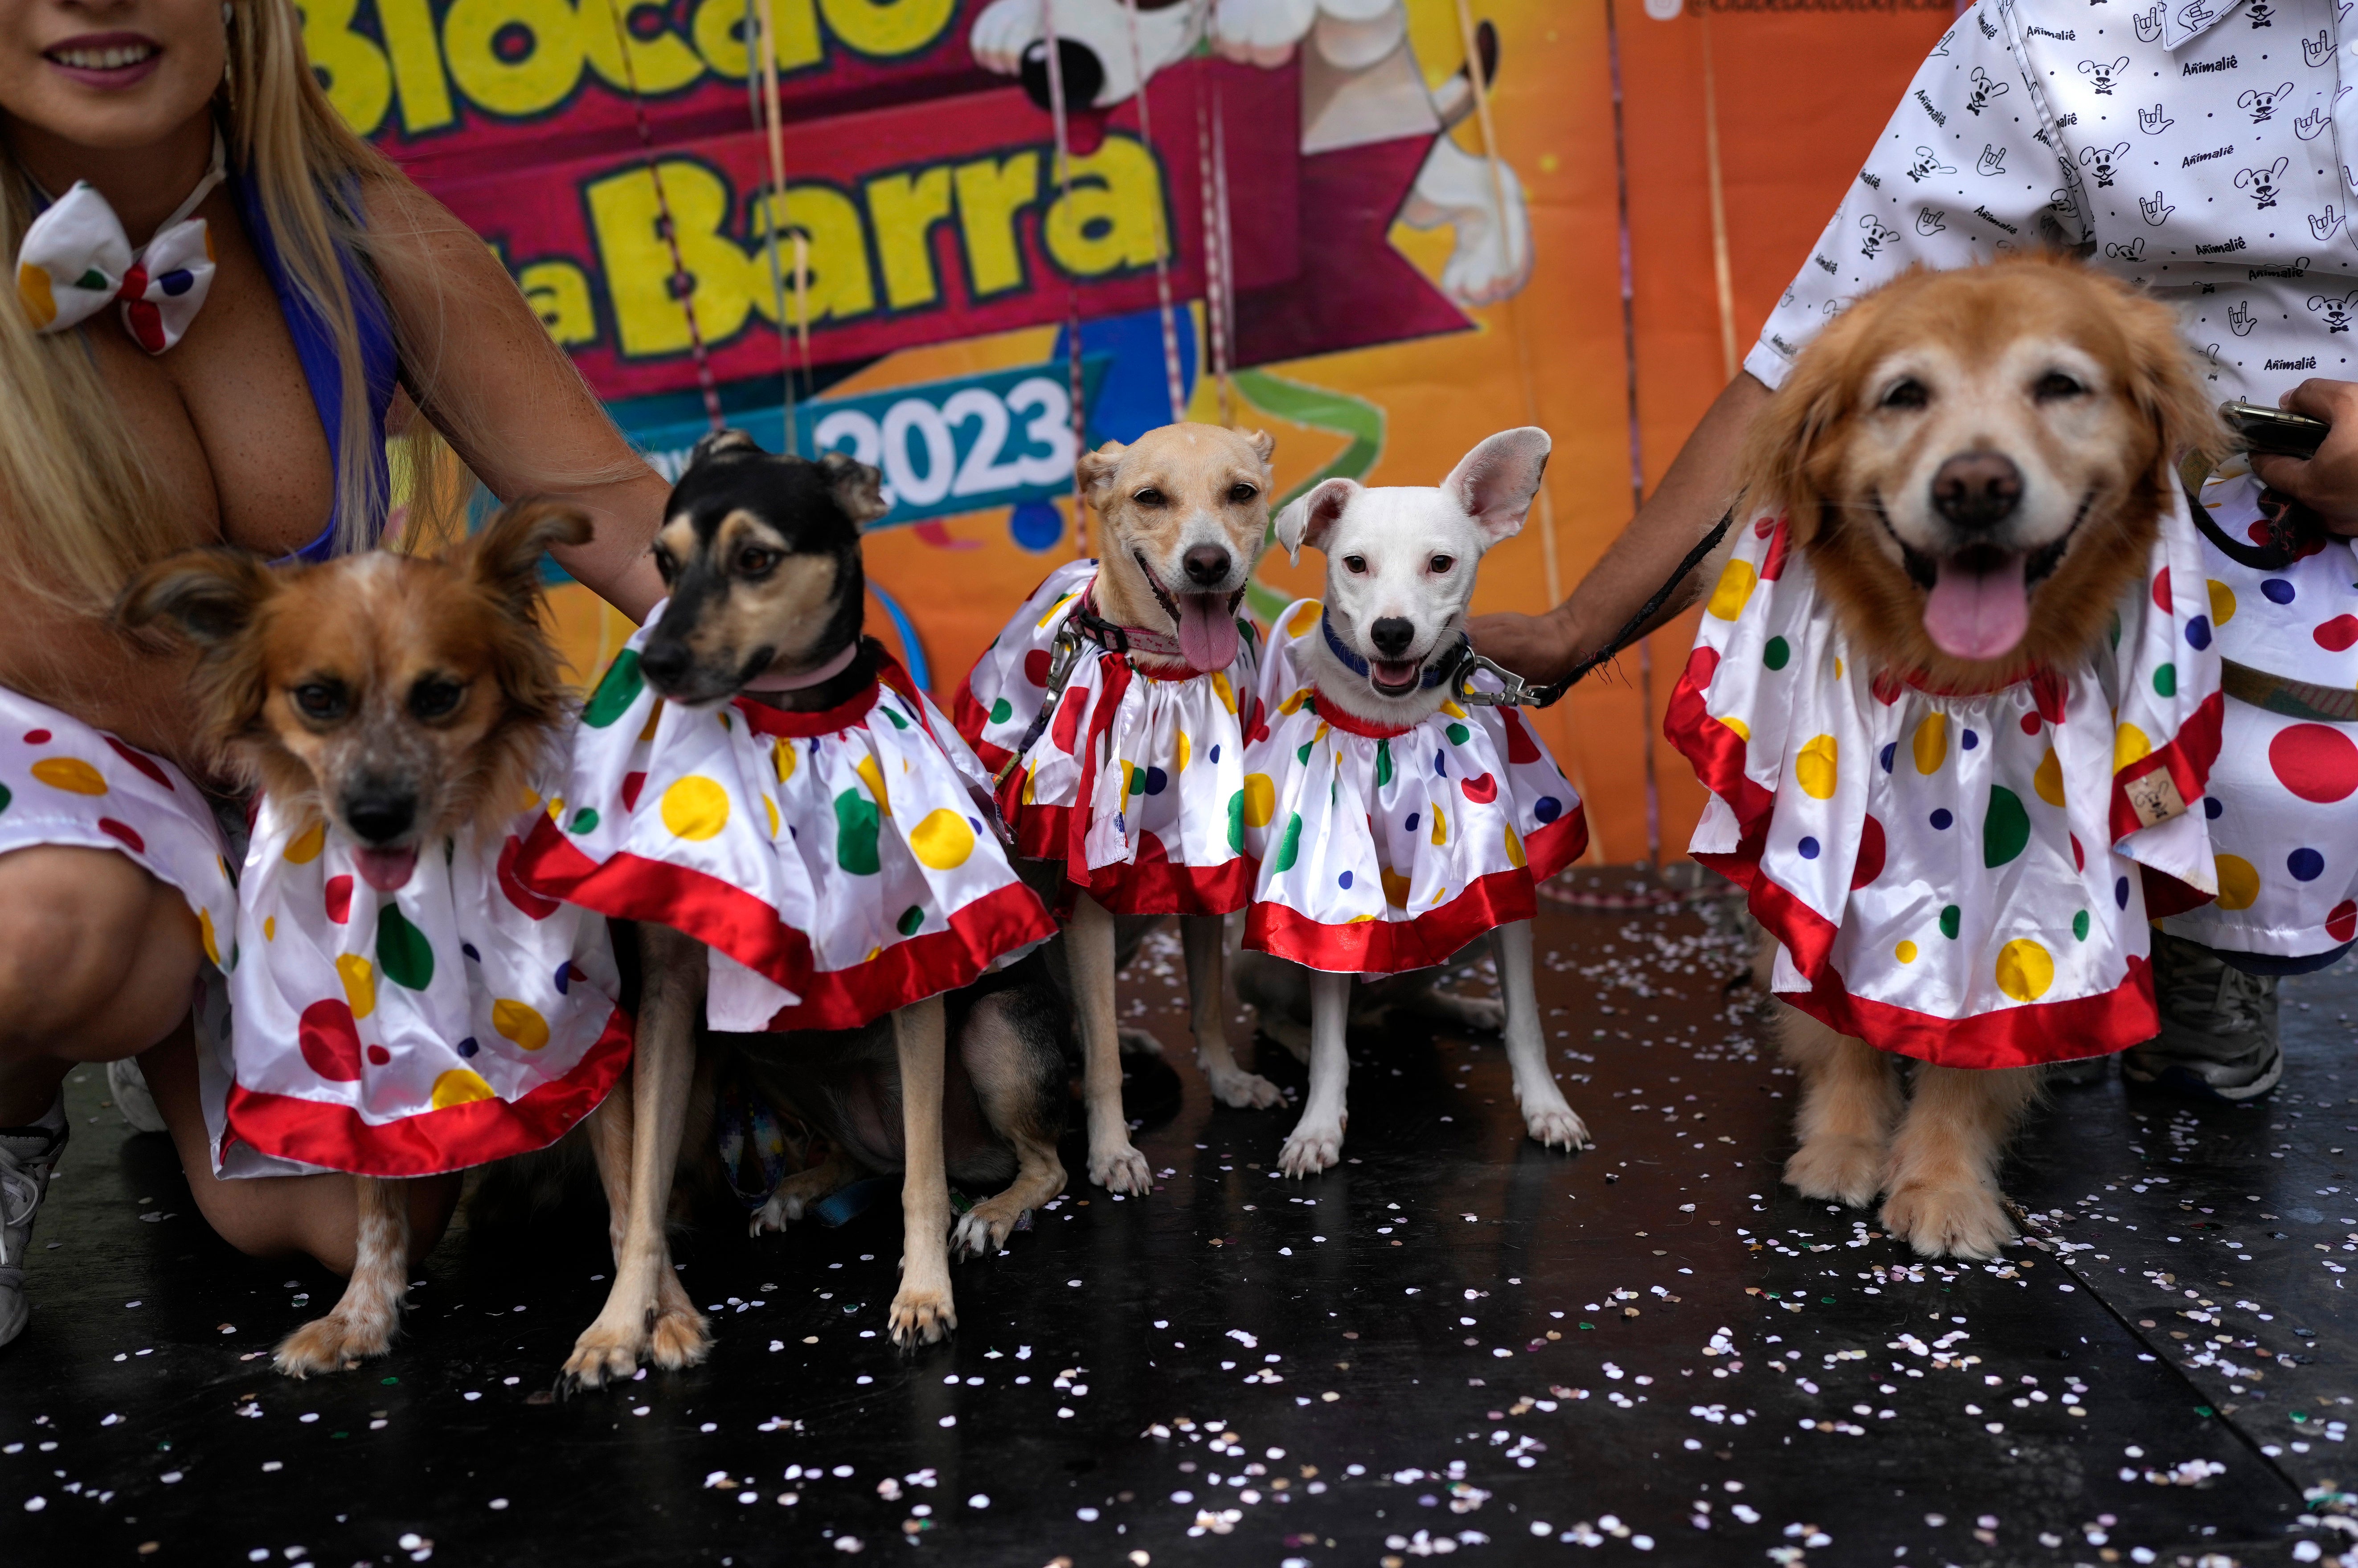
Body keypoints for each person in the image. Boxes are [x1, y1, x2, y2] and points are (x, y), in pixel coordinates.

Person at [1475, 0, 2358, 1103]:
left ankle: (2196, 935)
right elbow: (1814, 366)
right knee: (1861, 594)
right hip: (2163, 524)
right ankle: (1983, 948)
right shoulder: (2054, 31)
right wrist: (1580, 626)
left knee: (2290, 785)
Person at [0, 0, 669, 1346]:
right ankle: (23, 1100)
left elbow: (604, 499)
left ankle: (199, 998)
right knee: (63, 939)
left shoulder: (353, 229)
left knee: (344, 1217)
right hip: (50, 767)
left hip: (306, 769)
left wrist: (820, 679)